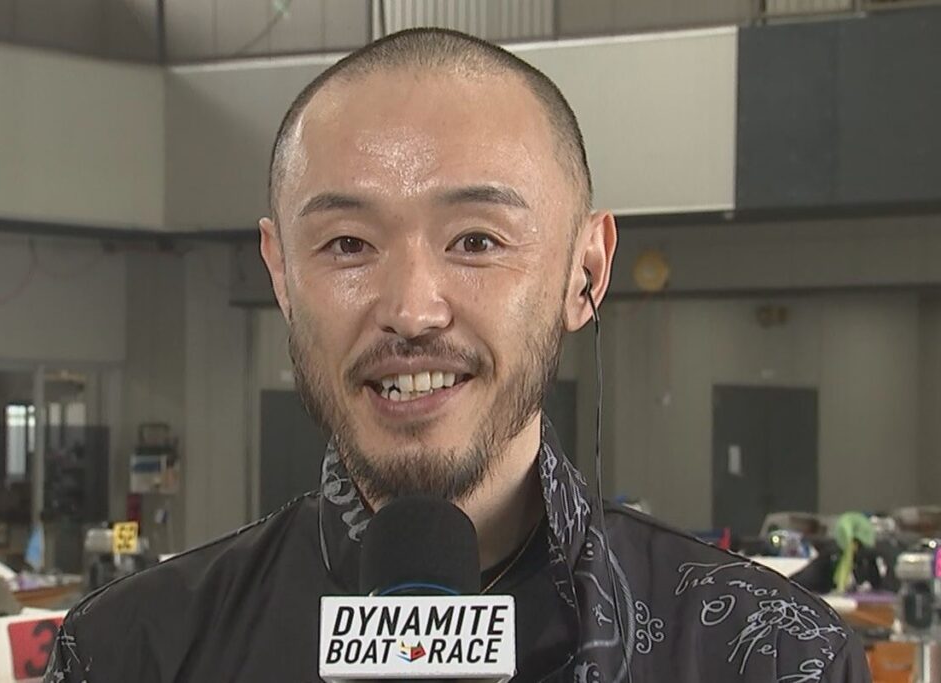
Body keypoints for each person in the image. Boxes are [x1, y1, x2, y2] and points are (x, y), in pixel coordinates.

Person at [46, 28, 871, 682]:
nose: (411, 310)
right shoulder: (132, 652)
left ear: (585, 273)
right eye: (347, 243)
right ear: (282, 275)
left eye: (476, 240)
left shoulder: (771, 656)